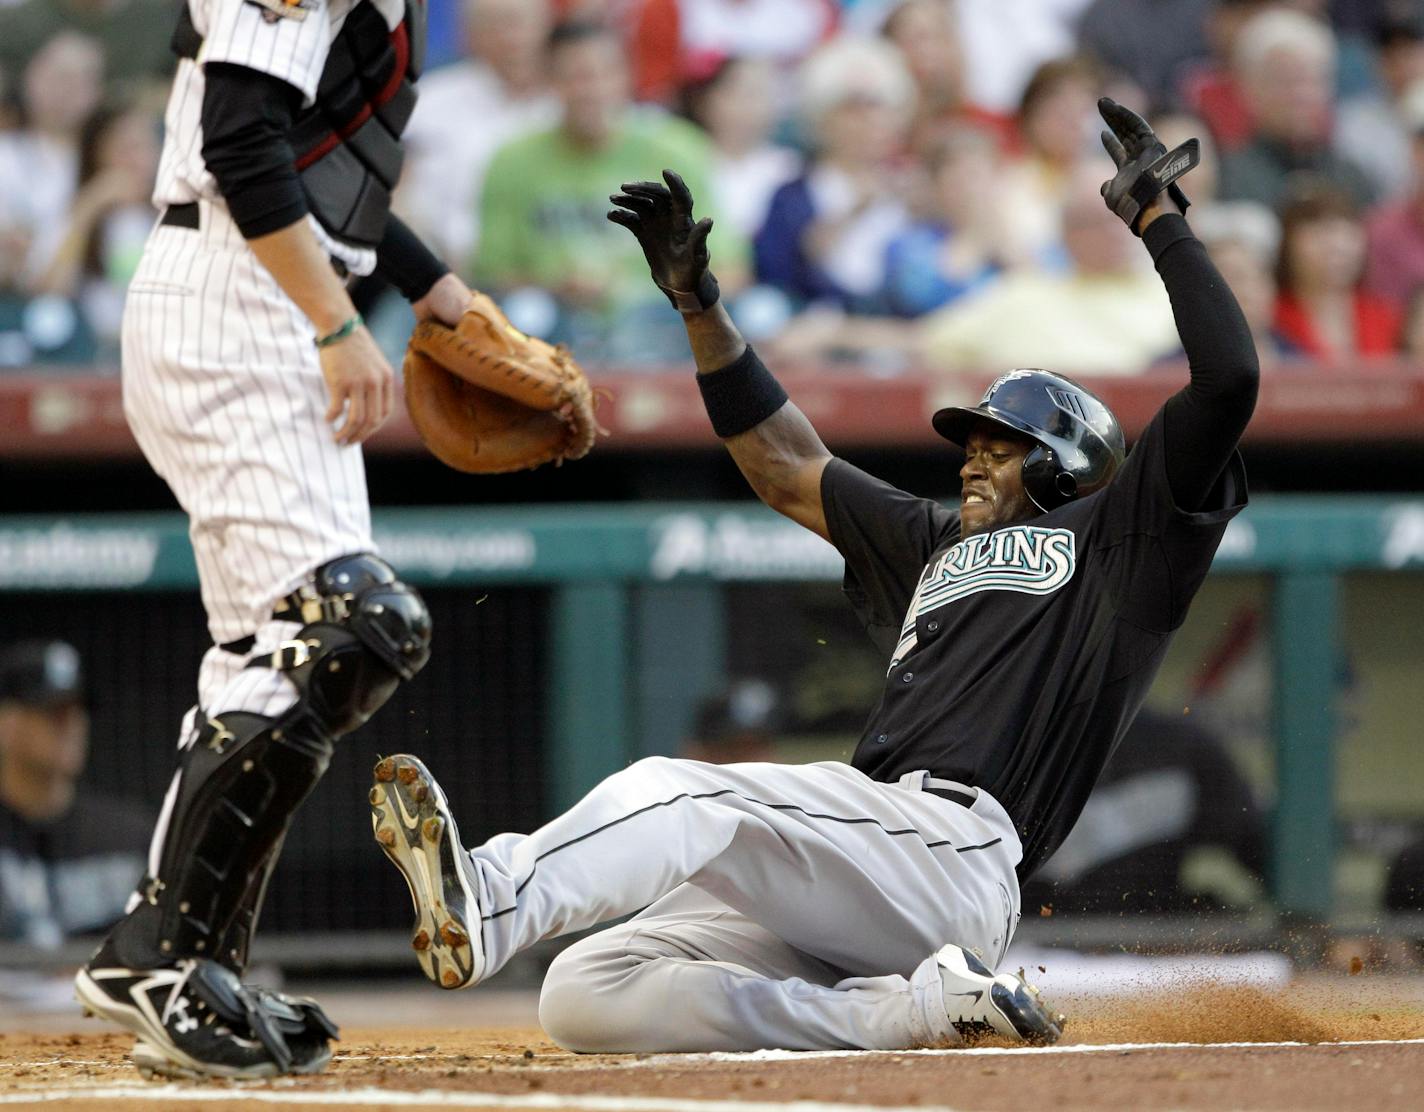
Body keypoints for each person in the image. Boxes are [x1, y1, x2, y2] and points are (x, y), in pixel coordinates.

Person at [367, 99, 1254, 1053]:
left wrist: (1161, 218)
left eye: (1000, 447)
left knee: (689, 794)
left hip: (953, 854)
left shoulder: (1120, 539)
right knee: (588, 988)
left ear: (1068, 464)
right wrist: (700, 308)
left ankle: (494, 898)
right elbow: (786, 464)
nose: (970, 459)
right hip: (864, 865)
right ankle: (910, 1012)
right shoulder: (934, 539)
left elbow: (1229, 381)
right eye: (972, 442)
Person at [73, 0, 485, 1082]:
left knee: (277, 649)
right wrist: (340, 325)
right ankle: (163, 951)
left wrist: (428, 286)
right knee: (349, 623)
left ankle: (174, 957)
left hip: (267, 291)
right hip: (235, 303)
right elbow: (238, 139)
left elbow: (313, 154)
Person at [0, 641, 151, 948]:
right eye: (53, 713)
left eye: (77, 711)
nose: (72, 726)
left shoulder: (127, 837)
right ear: (7, 724)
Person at [1272, 183, 1401, 359]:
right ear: (1288, 246)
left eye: (1347, 233)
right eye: (1319, 233)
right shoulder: (1271, 317)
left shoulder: (1385, 318)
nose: (1337, 247)